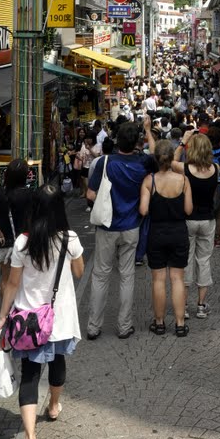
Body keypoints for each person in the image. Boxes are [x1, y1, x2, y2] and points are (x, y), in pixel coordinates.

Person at [0, 184, 84, 439]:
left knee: (30, 375)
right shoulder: (68, 238)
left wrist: (2, 316)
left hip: (28, 322)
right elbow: (80, 272)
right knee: (58, 363)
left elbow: (12, 283)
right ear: (59, 207)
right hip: (58, 318)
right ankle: (55, 405)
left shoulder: (23, 242)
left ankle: (30, 438)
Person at [86, 121, 149, 339]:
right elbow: (159, 157)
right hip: (132, 226)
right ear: (137, 143)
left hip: (106, 226)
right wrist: (148, 131)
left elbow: (91, 195)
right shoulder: (143, 163)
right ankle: (124, 326)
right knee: (127, 275)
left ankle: (94, 326)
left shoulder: (105, 162)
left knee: (101, 275)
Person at [139, 139, 193, 336]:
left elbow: (143, 210)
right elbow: (188, 209)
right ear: (172, 159)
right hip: (179, 232)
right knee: (178, 278)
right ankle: (180, 324)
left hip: (157, 233)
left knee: (158, 280)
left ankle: (159, 322)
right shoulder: (184, 180)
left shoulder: (149, 180)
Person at [172, 130, 218, 319]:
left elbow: (170, 161)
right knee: (204, 260)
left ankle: (183, 306)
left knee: (186, 260)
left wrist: (183, 142)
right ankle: (201, 305)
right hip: (207, 220)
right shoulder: (215, 168)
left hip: (188, 219)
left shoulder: (185, 169)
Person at [0, 159, 33, 295]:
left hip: (6, 242)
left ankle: (6, 312)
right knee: (26, 279)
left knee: (6, 279)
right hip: (26, 242)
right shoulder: (31, 194)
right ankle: (21, 311)